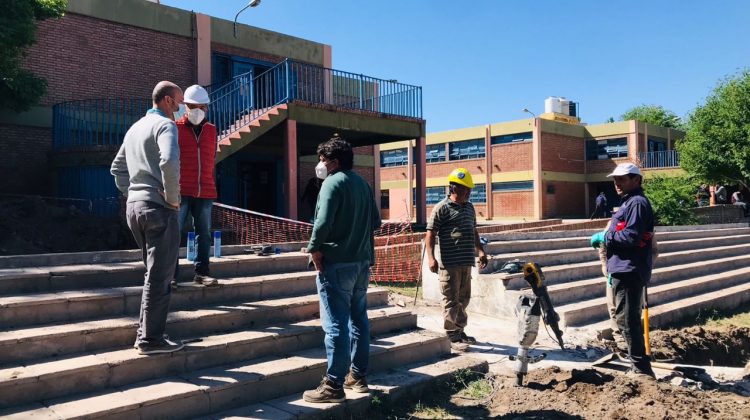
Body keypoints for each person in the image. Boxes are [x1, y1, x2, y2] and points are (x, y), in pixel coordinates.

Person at [302, 137, 381, 404]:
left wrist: (313, 248)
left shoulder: (331, 183)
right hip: (361, 263)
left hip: (337, 264)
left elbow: (322, 223)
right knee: (359, 319)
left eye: (323, 160)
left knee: (335, 324)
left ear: (334, 162)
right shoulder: (363, 184)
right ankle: (357, 376)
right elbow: (376, 222)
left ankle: (334, 384)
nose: (320, 165)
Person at [111, 81, 184, 355]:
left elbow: (117, 168)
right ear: (167, 101)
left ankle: (146, 333)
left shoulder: (135, 128)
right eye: (178, 102)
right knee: (160, 276)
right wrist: (173, 199)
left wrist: (133, 192)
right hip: (158, 208)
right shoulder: (165, 126)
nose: (181, 108)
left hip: (135, 208)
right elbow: (168, 161)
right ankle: (151, 340)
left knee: (152, 273)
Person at [591, 162, 655, 378]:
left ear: (636, 180)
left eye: (622, 179)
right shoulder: (628, 203)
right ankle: (638, 365)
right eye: (615, 179)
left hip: (629, 270)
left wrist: (605, 237)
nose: (617, 183)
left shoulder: (637, 203)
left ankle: (641, 369)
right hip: (622, 268)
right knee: (625, 318)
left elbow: (631, 237)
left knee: (627, 320)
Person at [425, 168, 489, 352]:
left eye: (470, 189)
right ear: (454, 188)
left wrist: (481, 251)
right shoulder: (441, 208)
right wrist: (431, 258)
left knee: (463, 299)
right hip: (449, 263)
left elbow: (474, 231)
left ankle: (460, 332)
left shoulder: (469, 207)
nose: (469, 193)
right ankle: (451, 335)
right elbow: (430, 233)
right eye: (465, 189)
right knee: (451, 300)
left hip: (466, 262)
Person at [173, 84, 218, 287]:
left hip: (205, 189)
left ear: (207, 108)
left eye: (202, 106)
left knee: (205, 234)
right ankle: (170, 275)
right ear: (185, 106)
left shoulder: (211, 130)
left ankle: (202, 273)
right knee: (173, 234)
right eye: (193, 106)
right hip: (181, 189)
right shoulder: (174, 128)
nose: (198, 110)